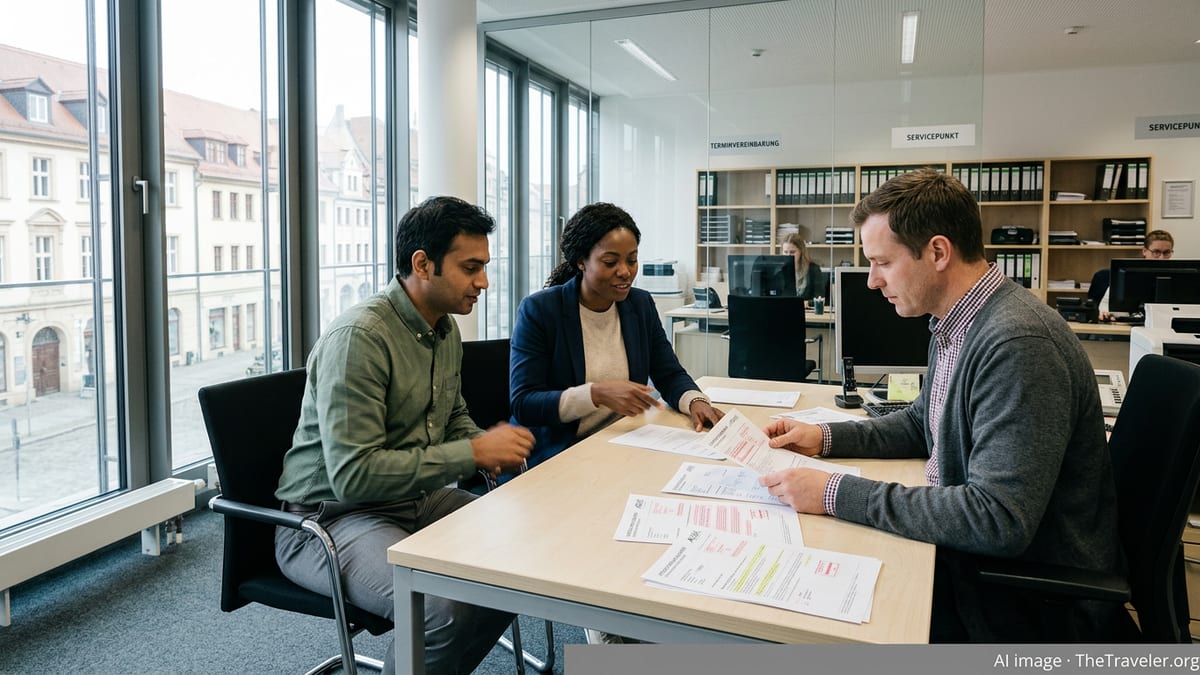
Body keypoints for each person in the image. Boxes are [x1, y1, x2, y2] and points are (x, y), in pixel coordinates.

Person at [758, 168, 1135, 643]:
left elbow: (997, 518)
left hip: (1021, 602)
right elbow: (924, 424)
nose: (871, 281)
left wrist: (834, 493)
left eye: (882, 263)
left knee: (807, 627)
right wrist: (826, 437)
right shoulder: (956, 323)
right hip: (974, 565)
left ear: (937, 252)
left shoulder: (1017, 343)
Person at [274, 196, 534, 675]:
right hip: (331, 521)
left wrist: (488, 448)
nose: (484, 281)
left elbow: (452, 417)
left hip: (413, 500)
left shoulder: (443, 331)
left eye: (485, 267)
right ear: (423, 264)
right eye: (471, 267)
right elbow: (354, 477)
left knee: (520, 561)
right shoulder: (361, 338)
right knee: (435, 609)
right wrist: (472, 451)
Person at [510, 202, 724, 472]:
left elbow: (668, 373)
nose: (625, 271)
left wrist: (695, 401)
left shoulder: (640, 304)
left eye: (632, 260)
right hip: (560, 453)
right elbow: (524, 403)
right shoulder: (541, 310)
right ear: (580, 261)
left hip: (620, 442)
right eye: (611, 262)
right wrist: (596, 394)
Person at [1097, 229, 1174, 320]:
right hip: (1127, 324)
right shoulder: (1128, 273)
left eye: (1166, 252)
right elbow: (1106, 305)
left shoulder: (1177, 277)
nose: (1161, 258)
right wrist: (1107, 314)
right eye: (1156, 252)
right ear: (1144, 251)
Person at [781, 233, 828, 303]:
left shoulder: (813, 270)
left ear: (801, 251)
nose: (788, 256)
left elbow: (820, 299)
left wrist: (808, 303)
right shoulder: (779, 270)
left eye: (792, 252)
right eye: (785, 252)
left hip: (807, 312)